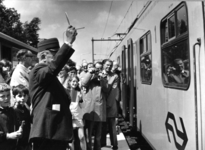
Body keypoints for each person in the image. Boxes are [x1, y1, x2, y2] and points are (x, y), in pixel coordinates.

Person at [29, 25, 77, 150]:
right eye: (55, 54)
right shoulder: (38, 71)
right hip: (47, 133)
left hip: (52, 132)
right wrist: (68, 43)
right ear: (44, 56)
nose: (57, 58)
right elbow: (53, 68)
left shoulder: (47, 75)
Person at [81, 62, 107, 150]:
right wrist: (90, 73)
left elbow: (106, 89)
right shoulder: (89, 77)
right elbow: (84, 83)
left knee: (98, 134)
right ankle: (88, 148)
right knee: (88, 133)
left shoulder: (103, 78)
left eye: (100, 69)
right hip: (90, 109)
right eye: (96, 69)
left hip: (99, 108)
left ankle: (97, 148)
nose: (98, 71)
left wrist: (102, 78)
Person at [101, 59, 119, 150]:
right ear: (103, 65)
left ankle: (114, 145)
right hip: (100, 104)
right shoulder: (99, 75)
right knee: (102, 126)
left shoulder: (115, 76)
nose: (108, 67)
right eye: (107, 65)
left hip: (110, 104)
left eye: (110, 65)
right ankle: (103, 144)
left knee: (112, 125)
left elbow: (113, 92)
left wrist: (108, 104)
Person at [0, 82, 23, 150]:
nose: (6, 98)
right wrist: (8, 136)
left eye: (8, 95)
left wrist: (20, 129)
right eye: (2, 96)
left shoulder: (12, 111)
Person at [69, 76, 86, 150]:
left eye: (76, 81)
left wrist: (81, 99)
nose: (74, 83)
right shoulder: (67, 92)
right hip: (69, 118)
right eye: (73, 81)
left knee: (81, 137)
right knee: (71, 140)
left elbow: (83, 106)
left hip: (78, 118)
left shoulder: (79, 92)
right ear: (69, 82)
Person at [12, 84, 31, 150]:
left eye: (24, 96)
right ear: (14, 97)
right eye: (20, 96)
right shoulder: (13, 110)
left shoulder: (27, 109)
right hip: (17, 141)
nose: (22, 98)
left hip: (27, 140)